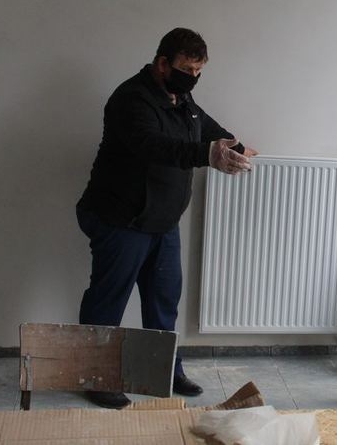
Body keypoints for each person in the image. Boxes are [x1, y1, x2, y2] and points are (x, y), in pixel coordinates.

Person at [76, 27, 257, 409]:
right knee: (108, 301)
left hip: (162, 222)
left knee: (163, 302)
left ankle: (164, 370)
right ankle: (96, 378)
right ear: (162, 63)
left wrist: (236, 146)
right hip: (121, 220)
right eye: (187, 69)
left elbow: (207, 128)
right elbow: (155, 146)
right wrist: (207, 154)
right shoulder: (131, 99)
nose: (193, 77)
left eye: (198, 71)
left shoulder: (183, 99)